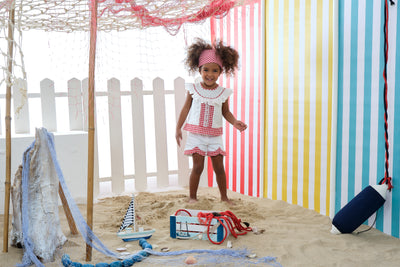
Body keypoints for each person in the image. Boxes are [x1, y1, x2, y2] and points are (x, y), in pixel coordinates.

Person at [175, 38, 247, 204]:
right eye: (206, 70)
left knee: (219, 168)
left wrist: (235, 122)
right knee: (198, 167)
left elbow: (226, 112)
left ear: (220, 72)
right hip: (196, 135)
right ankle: (192, 197)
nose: (210, 74)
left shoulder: (222, 93)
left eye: (215, 71)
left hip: (214, 136)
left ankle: (224, 197)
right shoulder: (194, 89)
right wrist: (178, 128)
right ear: (199, 70)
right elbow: (186, 108)